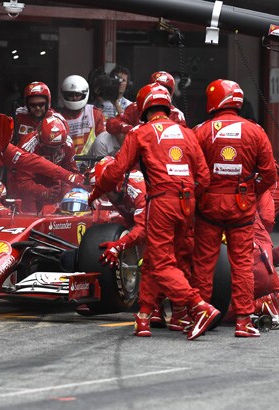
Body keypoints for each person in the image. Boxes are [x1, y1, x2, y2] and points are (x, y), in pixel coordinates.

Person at [90, 83, 218, 340]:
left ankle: (198, 306)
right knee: (168, 260)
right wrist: (188, 197)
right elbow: (204, 177)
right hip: (187, 203)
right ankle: (148, 315)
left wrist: (97, 190)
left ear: (143, 107)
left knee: (160, 264)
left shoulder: (141, 133)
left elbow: (117, 171)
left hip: (161, 202)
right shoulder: (187, 133)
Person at [191, 79, 277, 338]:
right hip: (241, 207)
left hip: (208, 207)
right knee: (242, 264)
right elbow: (269, 174)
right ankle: (243, 321)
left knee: (204, 264)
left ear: (213, 100)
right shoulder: (256, 131)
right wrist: (250, 192)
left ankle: (200, 316)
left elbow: (191, 171)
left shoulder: (201, 131)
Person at [11, 113, 78, 213]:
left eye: (56, 148)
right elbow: (21, 182)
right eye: (48, 148)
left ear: (63, 144)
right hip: (28, 187)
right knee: (29, 213)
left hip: (53, 183)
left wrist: (65, 192)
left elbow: (71, 174)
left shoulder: (68, 145)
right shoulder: (27, 147)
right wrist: (43, 192)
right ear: (40, 140)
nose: (52, 151)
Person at [59, 75, 106, 155]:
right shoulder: (57, 117)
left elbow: (103, 141)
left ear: (85, 94)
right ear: (64, 95)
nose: (74, 98)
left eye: (78, 95)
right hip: (66, 161)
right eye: (70, 95)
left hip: (91, 160)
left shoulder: (95, 114)